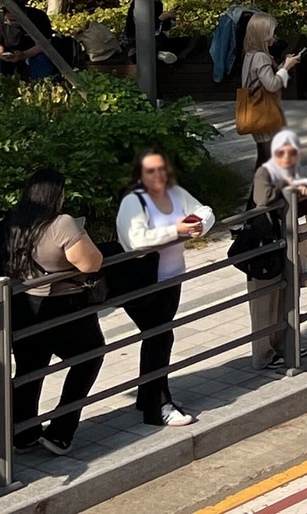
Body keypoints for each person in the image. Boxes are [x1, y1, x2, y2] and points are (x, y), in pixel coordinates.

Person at [5, 169, 105, 454]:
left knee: (29, 368)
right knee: (89, 356)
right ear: (56, 195)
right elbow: (91, 263)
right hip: (65, 307)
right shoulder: (62, 224)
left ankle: (23, 434)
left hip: (22, 306)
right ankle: (61, 430)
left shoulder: (12, 221)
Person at [115, 149, 214, 427]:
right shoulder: (133, 203)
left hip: (172, 279)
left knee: (156, 336)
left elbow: (205, 211)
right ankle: (158, 405)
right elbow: (136, 242)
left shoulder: (176, 194)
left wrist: (199, 226)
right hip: (144, 284)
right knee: (160, 338)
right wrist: (177, 230)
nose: (158, 175)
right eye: (150, 171)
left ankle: (147, 394)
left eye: (162, 169)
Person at [247, 132, 307, 370]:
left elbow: (301, 207)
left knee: (287, 295)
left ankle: (286, 344)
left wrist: (303, 192)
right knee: (264, 301)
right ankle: (263, 354)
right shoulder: (265, 172)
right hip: (264, 245)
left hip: (286, 241)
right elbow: (261, 200)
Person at [239, 12, 300, 165]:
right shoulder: (261, 57)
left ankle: (264, 188)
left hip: (255, 111)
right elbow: (272, 85)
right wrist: (286, 68)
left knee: (265, 157)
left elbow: (262, 79)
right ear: (262, 35)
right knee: (268, 160)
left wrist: (282, 66)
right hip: (264, 113)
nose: (275, 37)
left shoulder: (250, 55)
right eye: (272, 33)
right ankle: (263, 189)